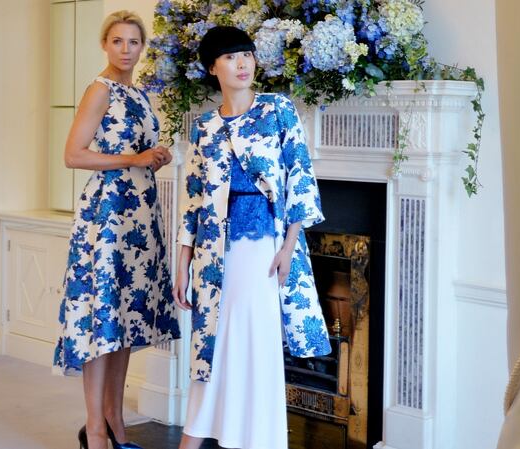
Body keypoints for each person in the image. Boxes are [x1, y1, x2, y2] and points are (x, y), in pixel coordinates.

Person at [172, 26, 332, 449]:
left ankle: (255, 438)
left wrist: (288, 247)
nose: (242, 63)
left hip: (264, 246)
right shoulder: (204, 127)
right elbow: (192, 197)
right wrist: (183, 262)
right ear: (212, 67)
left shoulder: (278, 109)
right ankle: (198, 434)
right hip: (212, 251)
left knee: (254, 341)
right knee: (214, 342)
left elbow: (299, 177)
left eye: (247, 54)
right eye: (230, 57)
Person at [52, 10, 180, 449]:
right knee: (102, 321)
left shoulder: (139, 93)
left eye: (134, 42)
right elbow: (73, 154)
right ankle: (96, 429)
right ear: (105, 44)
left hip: (141, 214)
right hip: (106, 218)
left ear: (143, 48)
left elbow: (134, 150)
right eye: (118, 41)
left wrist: (154, 155)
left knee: (125, 320)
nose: (127, 50)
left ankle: (115, 421)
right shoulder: (99, 90)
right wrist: (133, 160)